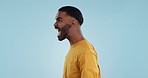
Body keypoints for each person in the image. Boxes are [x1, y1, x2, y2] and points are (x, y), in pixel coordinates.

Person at [54, 6, 101, 78]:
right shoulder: (73, 50)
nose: (55, 24)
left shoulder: (86, 51)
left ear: (73, 22)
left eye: (59, 20)